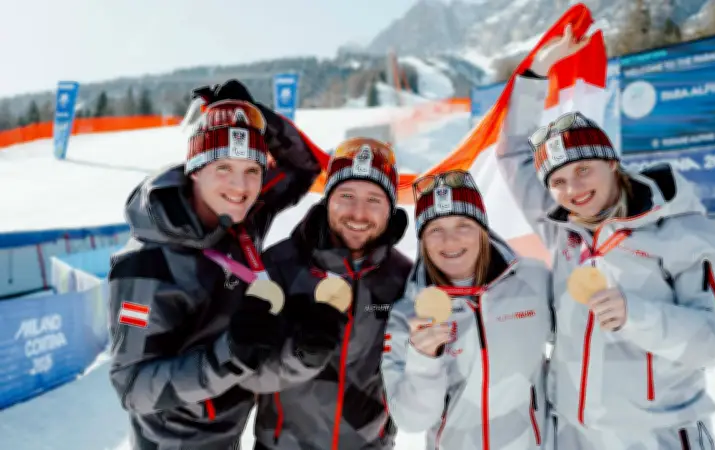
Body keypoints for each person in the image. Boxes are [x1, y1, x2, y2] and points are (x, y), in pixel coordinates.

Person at [496, 30, 715, 449]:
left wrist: (636, 316)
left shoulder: (679, 231)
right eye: (557, 181)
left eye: (583, 170)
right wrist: (537, 71)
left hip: (659, 437)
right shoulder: (561, 228)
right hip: (574, 436)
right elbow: (511, 154)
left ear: (613, 163)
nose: (573, 189)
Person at [107, 80, 345, 450]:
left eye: (252, 170)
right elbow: (131, 386)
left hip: (229, 436)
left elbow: (304, 164)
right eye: (223, 168)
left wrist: (255, 117)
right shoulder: (146, 264)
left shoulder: (241, 220)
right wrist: (229, 356)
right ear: (195, 170)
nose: (241, 186)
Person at [250, 137, 413, 450]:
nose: (358, 213)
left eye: (374, 200)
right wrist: (296, 356)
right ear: (327, 200)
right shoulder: (280, 266)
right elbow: (246, 371)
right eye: (347, 195)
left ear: (391, 207)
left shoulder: (403, 278)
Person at [381, 169, 553, 449]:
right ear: (422, 241)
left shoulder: (532, 280)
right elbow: (413, 420)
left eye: (463, 225)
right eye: (435, 229)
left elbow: (579, 348)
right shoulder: (408, 314)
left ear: (483, 230)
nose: (450, 241)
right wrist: (424, 360)